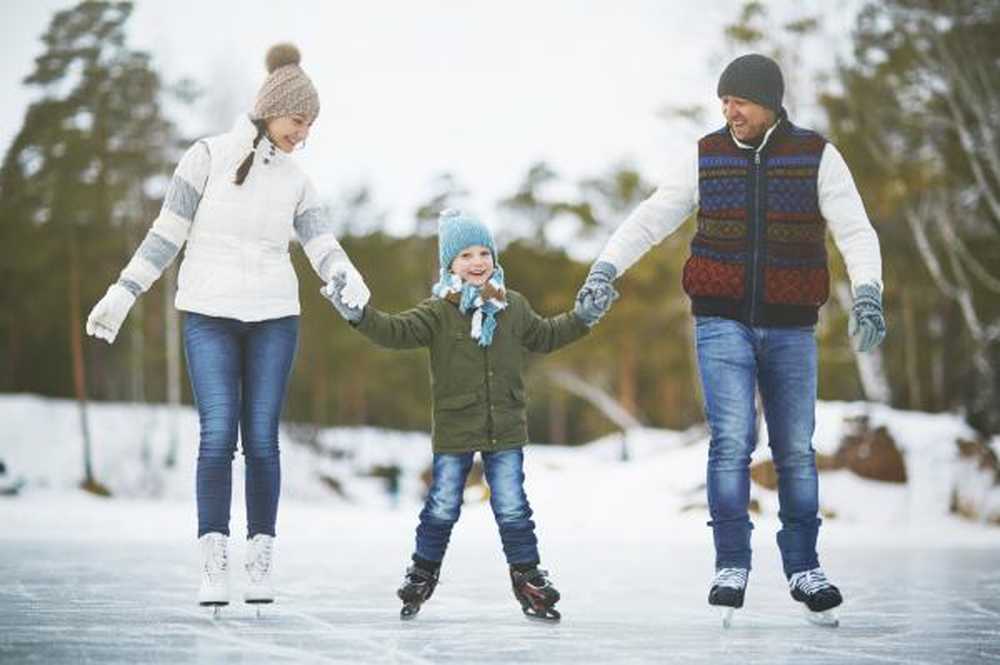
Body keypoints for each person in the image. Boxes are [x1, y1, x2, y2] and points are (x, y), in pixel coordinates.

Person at [576, 53, 886, 624]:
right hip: (720, 319)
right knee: (732, 438)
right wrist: (604, 269)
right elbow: (651, 217)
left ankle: (803, 567)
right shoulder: (707, 155)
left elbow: (854, 227)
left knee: (794, 447)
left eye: (738, 101)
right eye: (723, 101)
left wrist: (868, 291)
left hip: (792, 323)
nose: (729, 110)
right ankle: (731, 563)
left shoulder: (816, 156)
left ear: (769, 102)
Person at [85, 44, 369, 612]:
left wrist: (345, 275)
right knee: (218, 435)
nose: (304, 134)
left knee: (262, 439)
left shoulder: (295, 180)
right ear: (271, 109)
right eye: (299, 121)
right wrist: (124, 290)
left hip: (274, 318)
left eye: (312, 125)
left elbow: (320, 241)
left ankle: (259, 557)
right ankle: (213, 561)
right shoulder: (205, 158)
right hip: (209, 315)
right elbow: (165, 235)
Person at [325, 209, 603, 621]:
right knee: (442, 504)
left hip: (506, 425)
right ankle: (422, 572)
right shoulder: (437, 312)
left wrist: (583, 317)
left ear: (494, 258)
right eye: (466, 255)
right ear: (450, 265)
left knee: (512, 505)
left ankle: (527, 575)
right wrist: (358, 315)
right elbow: (394, 331)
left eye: (483, 253)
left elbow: (546, 335)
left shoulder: (513, 307)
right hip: (456, 428)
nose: (477, 262)